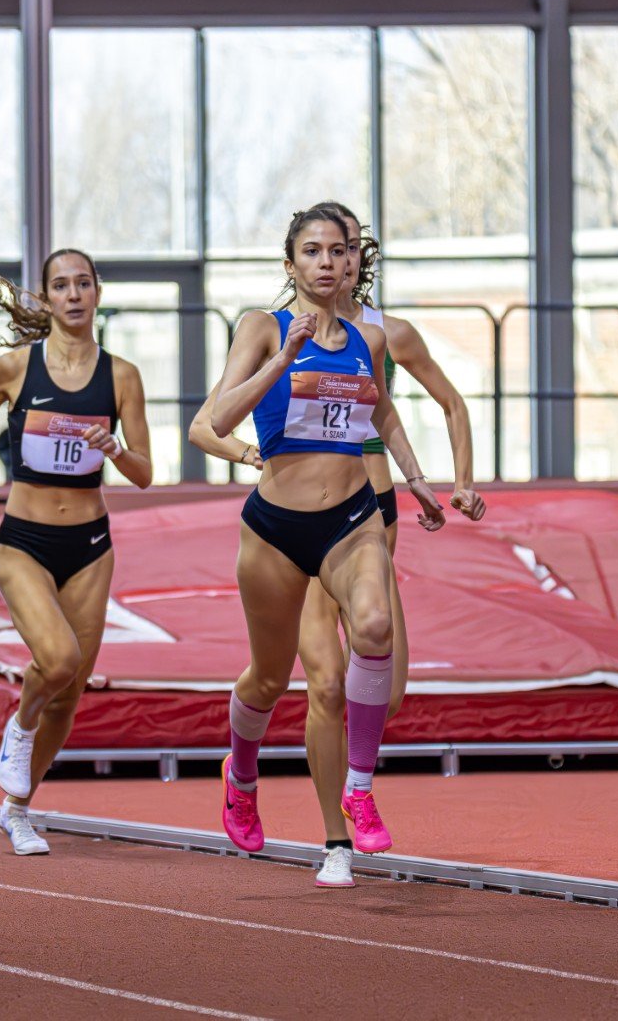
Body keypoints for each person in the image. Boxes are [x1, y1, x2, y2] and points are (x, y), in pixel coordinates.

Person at [190, 202, 484, 887]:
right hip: (275, 528)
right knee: (270, 679)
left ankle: (357, 787)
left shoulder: (369, 337)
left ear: (355, 259)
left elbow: (380, 409)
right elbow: (214, 418)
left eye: (339, 251)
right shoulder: (261, 328)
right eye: (313, 252)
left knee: (375, 627)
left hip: (353, 518)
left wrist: (419, 481)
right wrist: (283, 360)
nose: (328, 263)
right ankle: (241, 772)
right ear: (290, 263)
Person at [0, 251, 153, 855]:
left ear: (97, 293)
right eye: (60, 286)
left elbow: (144, 473)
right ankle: (20, 724)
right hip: (25, 541)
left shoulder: (121, 376)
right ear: (45, 298)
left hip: (90, 546)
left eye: (82, 284)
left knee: (72, 687)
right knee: (58, 658)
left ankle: (18, 809)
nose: (72, 295)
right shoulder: (17, 368)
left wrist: (113, 449)